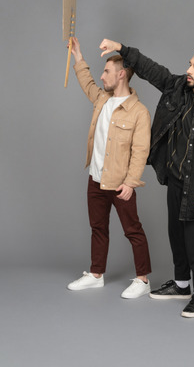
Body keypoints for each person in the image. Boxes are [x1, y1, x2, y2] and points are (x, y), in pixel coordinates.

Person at [99, 38, 194, 316]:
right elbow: (150, 69)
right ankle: (182, 284)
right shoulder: (176, 87)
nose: (189, 70)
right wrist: (122, 49)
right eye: (189, 64)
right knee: (176, 233)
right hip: (173, 177)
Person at [67, 37, 152, 299]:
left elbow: (140, 151)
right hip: (95, 178)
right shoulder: (101, 99)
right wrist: (77, 54)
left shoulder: (139, 111)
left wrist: (131, 182)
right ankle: (96, 275)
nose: (102, 76)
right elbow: (86, 82)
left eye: (107, 71)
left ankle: (143, 279)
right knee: (98, 228)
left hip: (120, 183)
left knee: (132, 229)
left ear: (122, 74)